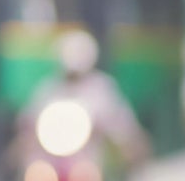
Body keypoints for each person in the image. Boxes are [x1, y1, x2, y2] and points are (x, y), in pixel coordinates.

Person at [22, 28, 149, 167]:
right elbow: (30, 117)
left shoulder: (102, 88)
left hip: (91, 155)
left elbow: (121, 122)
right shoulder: (50, 88)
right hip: (52, 157)